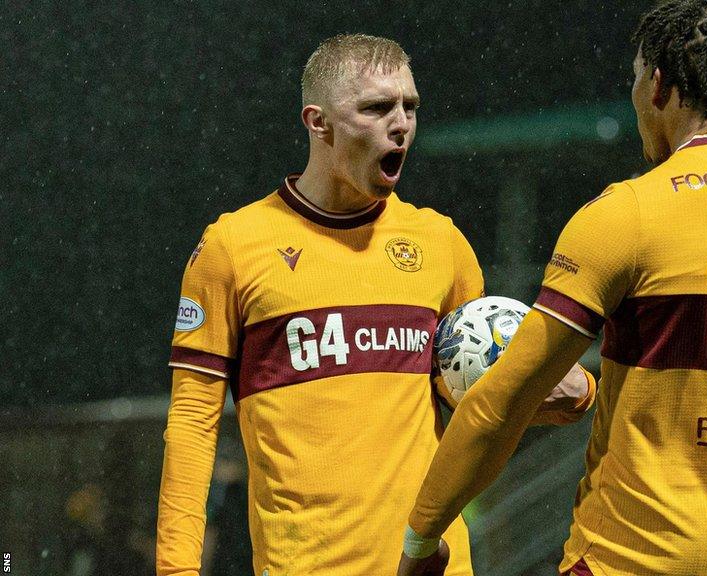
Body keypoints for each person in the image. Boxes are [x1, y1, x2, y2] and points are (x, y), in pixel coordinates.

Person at [397, 1, 707, 574]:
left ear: (657, 85)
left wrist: (421, 537)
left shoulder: (629, 213)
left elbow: (501, 404)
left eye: (633, 80)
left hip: (627, 561)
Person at [156, 34, 595, 576]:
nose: (402, 123)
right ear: (318, 123)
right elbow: (193, 422)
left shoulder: (441, 244)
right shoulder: (232, 248)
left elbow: (470, 392)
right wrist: (176, 569)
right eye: (376, 107)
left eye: (410, 107)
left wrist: (553, 388)